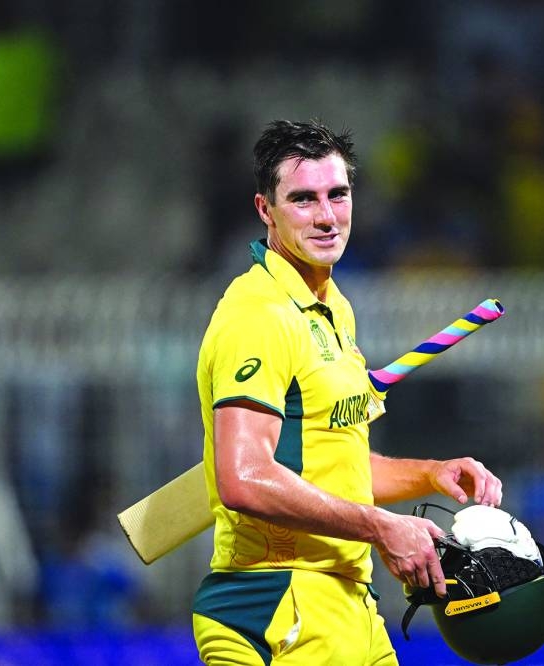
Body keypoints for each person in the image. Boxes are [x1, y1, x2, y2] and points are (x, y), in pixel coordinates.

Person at [191, 119, 503, 665]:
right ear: (265, 210)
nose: (327, 216)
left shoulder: (334, 305)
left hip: (348, 603)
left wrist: (429, 474)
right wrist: (382, 526)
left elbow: (334, 465)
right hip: (275, 607)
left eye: (338, 194)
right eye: (304, 199)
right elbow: (242, 478)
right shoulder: (259, 317)